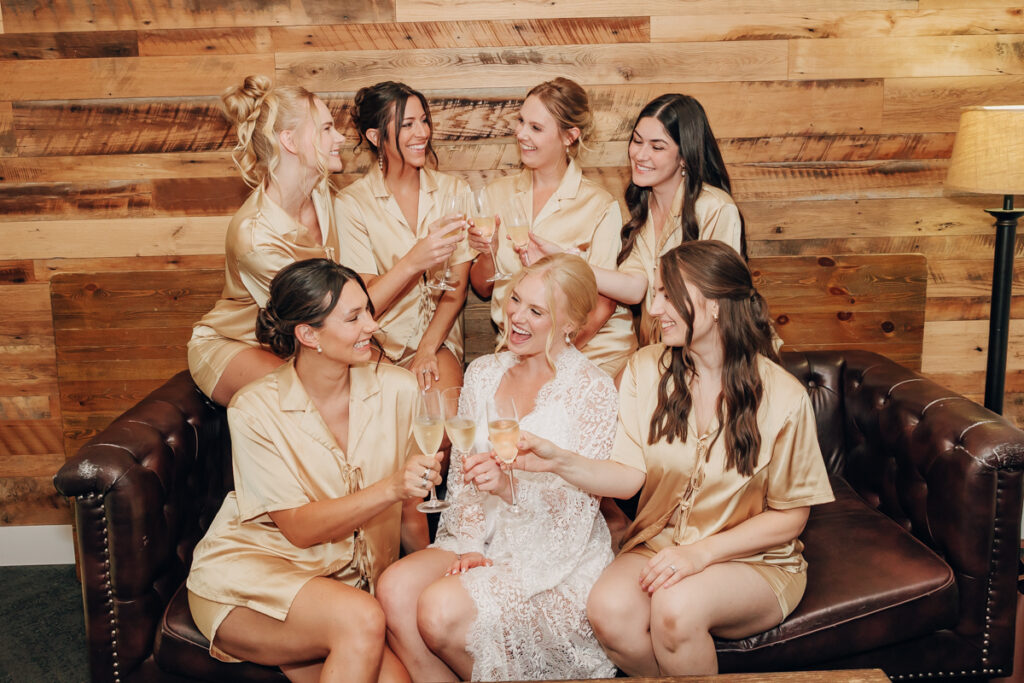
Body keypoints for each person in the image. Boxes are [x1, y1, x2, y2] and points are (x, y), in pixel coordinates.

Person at [514, 240, 834, 675]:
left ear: (717, 305)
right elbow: (628, 476)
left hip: (752, 561)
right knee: (607, 610)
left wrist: (699, 555)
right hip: (657, 547)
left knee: (676, 607)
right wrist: (556, 460)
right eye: (656, 292)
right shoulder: (646, 369)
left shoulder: (784, 397)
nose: (655, 306)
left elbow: (790, 518)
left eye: (669, 294)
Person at [186, 259, 443, 682]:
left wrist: (429, 569)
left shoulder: (399, 390)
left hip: (343, 592)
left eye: (369, 311)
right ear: (308, 335)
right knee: (360, 618)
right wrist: (391, 488)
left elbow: (412, 513)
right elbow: (300, 529)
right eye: (354, 317)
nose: (373, 326)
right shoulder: (254, 408)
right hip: (251, 581)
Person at [376, 254, 619, 682]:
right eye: (515, 300)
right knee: (393, 590)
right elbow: (464, 480)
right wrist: (471, 543)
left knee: (437, 611)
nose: (516, 318)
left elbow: (579, 512)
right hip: (479, 535)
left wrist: (513, 489)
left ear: (569, 325)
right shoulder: (484, 372)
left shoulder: (593, 389)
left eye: (536, 311)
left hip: (554, 556)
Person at [526, 93, 745, 347]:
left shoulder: (715, 208)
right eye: (637, 141)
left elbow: (724, 304)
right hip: (658, 349)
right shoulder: (642, 211)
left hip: (712, 352)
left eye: (657, 146)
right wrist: (565, 259)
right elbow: (634, 288)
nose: (640, 155)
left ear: (685, 155)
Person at [188, 74, 345, 405]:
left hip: (297, 339)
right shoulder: (255, 235)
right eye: (327, 129)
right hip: (235, 345)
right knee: (307, 396)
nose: (341, 137)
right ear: (289, 141)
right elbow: (322, 315)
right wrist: (416, 261)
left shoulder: (323, 194)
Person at [467, 77, 636, 378]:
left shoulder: (599, 205)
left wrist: (549, 363)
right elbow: (482, 287)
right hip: (517, 347)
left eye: (536, 127)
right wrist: (487, 253)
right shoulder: (497, 194)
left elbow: (604, 305)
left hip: (590, 347)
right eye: (521, 122)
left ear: (569, 136)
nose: (520, 134)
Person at [337, 81, 470, 395]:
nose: (422, 132)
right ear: (375, 137)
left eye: (423, 120)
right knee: (379, 424)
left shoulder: (454, 191)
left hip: (438, 340)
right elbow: (366, 305)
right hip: (373, 343)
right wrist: (414, 261)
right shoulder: (351, 204)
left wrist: (426, 349)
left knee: (438, 428)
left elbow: (457, 287)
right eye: (407, 124)